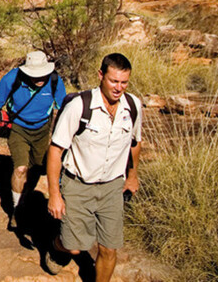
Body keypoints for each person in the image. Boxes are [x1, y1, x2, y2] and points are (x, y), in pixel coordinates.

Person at [43, 53, 141, 281]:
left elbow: (135, 142)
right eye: (113, 81)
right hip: (78, 186)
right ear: (101, 76)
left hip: (112, 188)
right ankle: (57, 245)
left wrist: (133, 175)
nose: (119, 88)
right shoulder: (80, 106)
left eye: (124, 82)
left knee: (108, 248)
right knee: (74, 247)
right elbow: (55, 150)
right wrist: (55, 195)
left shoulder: (133, 106)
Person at [0, 51, 66, 229]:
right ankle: (17, 211)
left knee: (36, 168)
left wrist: (61, 134)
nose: (39, 79)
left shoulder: (54, 81)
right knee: (21, 168)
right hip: (18, 128)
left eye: (42, 74)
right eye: (35, 75)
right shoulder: (12, 79)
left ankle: (24, 198)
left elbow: (62, 109)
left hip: (43, 129)